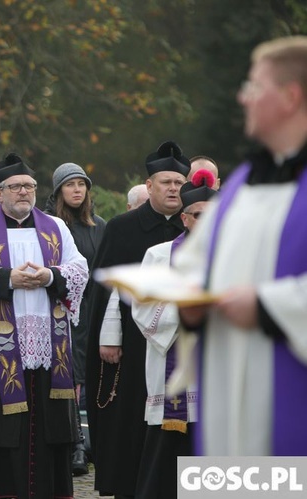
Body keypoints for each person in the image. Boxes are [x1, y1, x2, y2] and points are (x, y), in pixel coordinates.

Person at [176, 36, 307, 456]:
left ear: (290, 96)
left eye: (253, 86)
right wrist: (190, 303)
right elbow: (194, 265)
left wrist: (268, 306)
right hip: (227, 396)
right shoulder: (238, 185)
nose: (242, 97)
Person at [0, 153, 88, 499]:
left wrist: (49, 276)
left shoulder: (56, 228)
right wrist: (7, 278)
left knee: (46, 430)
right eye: (15, 187)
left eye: (29, 186)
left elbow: (79, 270)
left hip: (47, 348)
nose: (23, 192)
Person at [85, 141, 189, 498]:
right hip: (132, 343)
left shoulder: (194, 229)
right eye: (166, 182)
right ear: (149, 186)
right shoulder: (122, 227)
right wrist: (108, 336)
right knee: (129, 419)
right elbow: (106, 291)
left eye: (179, 182)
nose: (174, 188)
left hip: (184, 347)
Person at [131, 171, 216, 499]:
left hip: (219, 363)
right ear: (184, 218)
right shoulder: (159, 255)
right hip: (177, 362)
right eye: (199, 216)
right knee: (171, 450)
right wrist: (187, 309)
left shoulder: (233, 255)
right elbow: (143, 307)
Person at [44, 162, 106, 476]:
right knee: (67, 379)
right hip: (61, 313)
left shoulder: (99, 226)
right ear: (58, 191)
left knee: (88, 379)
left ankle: (89, 443)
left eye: (82, 184)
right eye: (70, 185)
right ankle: (74, 447)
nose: (77, 190)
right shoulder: (50, 226)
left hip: (93, 313)